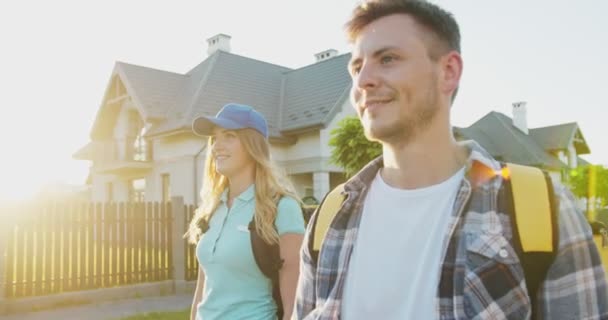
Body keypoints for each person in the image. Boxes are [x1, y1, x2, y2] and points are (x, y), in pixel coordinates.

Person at [293, 1, 608, 319]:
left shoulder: (541, 206)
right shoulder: (331, 216)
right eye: (356, 67)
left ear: (448, 72)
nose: (363, 81)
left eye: (387, 59)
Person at [186, 103, 305, 320]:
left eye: (229, 136)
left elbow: (295, 305)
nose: (216, 146)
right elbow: (204, 287)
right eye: (214, 138)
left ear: (253, 145)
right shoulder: (212, 208)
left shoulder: (282, 208)